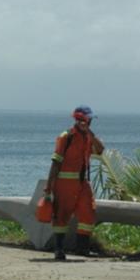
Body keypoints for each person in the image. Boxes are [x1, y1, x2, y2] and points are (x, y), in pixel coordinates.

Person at [43, 105, 105, 259]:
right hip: (64, 183)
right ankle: (59, 250)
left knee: (88, 213)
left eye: (89, 120)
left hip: (82, 183)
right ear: (79, 119)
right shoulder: (66, 136)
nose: (89, 122)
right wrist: (49, 187)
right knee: (61, 216)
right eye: (86, 119)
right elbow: (55, 163)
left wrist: (89, 133)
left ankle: (82, 248)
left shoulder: (88, 137)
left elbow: (101, 149)